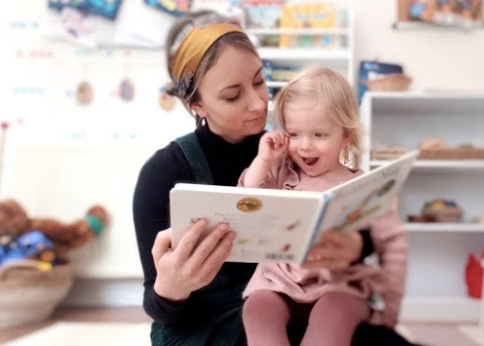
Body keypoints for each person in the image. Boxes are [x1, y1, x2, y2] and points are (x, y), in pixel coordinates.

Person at [132, 9, 419, 346]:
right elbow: (158, 307)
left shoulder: (295, 143)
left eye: (259, 81)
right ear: (197, 104)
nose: (257, 104)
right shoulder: (164, 171)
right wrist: (171, 288)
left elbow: (347, 208)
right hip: (214, 320)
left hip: (314, 297)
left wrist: (357, 244)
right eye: (233, 95)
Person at [239, 66, 407, 346]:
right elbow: (244, 203)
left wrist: (389, 312)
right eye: (294, 134)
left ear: (344, 135)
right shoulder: (281, 172)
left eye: (319, 135)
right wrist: (264, 161)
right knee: (257, 309)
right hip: (276, 284)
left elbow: (394, 244)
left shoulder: (363, 186)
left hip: (338, 287)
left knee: (334, 314)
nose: (305, 146)